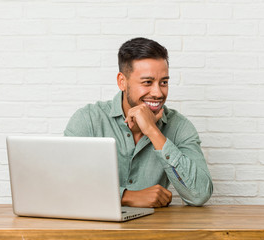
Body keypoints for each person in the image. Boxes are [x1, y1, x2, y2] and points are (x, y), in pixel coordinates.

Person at [64, 37, 213, 207]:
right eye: (147, 82)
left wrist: (153, 131)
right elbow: (64, 182)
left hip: (152, 231)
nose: (158, 93)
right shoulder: (88, 120)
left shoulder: (180, 127)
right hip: (94, 230)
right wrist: (127, 196)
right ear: (122, 82)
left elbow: (199, 194)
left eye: (163, 82)